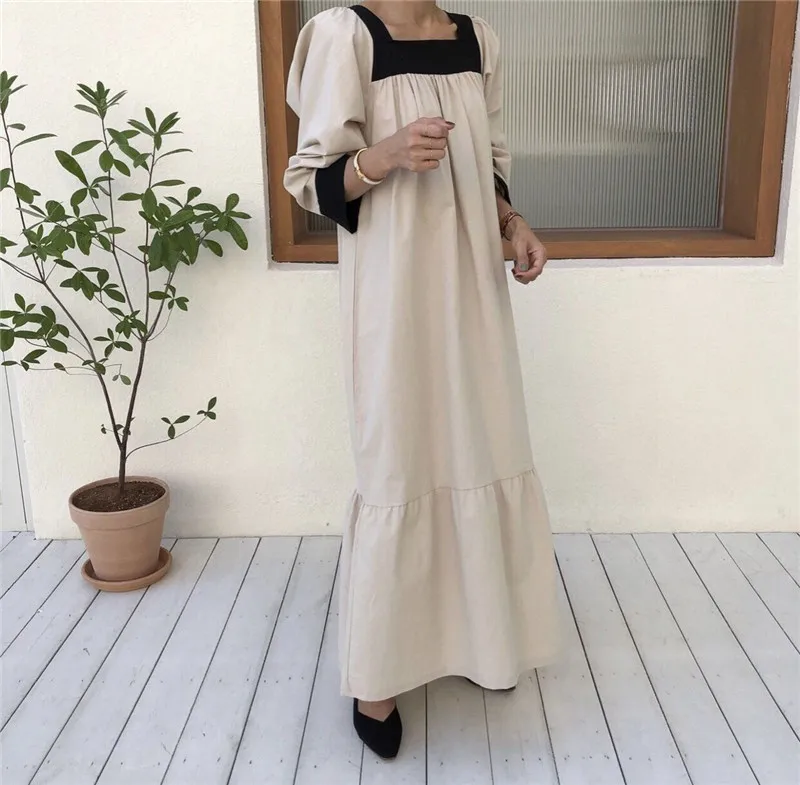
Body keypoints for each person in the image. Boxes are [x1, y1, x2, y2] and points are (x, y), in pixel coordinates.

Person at [284, 0, 561, 760]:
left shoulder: (478, 40)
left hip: (473, 284)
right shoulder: (344, 36)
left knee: (482, 444)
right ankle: (378, 675)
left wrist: (512, 224)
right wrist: (385, 155)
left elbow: (487, 162)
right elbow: (309, 179)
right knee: (400, 460)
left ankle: (480, 637)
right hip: (393, 285)